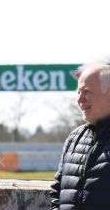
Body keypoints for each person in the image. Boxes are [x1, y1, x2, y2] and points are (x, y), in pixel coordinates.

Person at [50, 63, 110, 209]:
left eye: (87, 91)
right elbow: (57, 193)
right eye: (78, 92)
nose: (80, 99)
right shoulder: (75, 137)